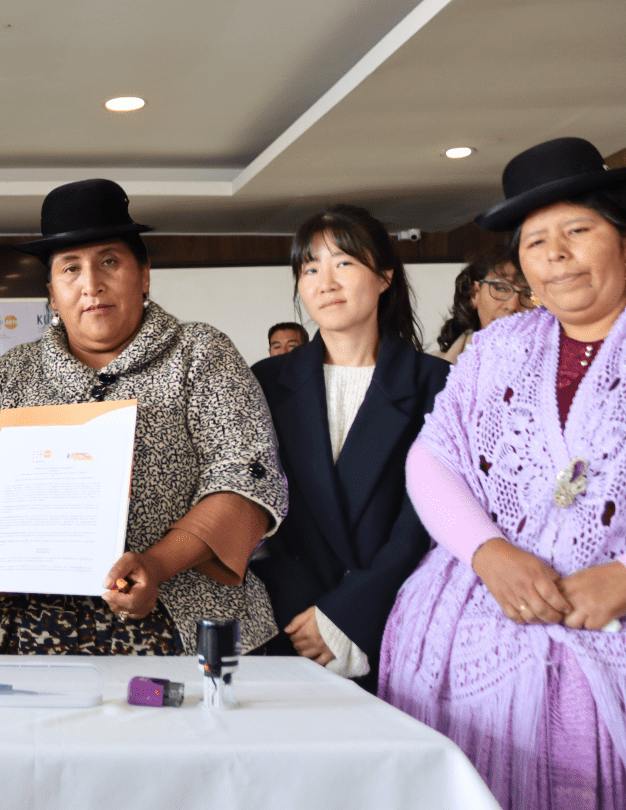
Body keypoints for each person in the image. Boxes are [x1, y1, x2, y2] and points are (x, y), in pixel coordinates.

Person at [0, 178, 287, 656]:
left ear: (144, 275)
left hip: (175, 616)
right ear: (52, 293)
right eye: (70, 269)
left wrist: (157, 565)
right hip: (15, 627)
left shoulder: (200, 353)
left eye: (109, 261)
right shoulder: (14, 372)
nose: (91, 284)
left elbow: (246, 476)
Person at [379, 137, 626, 809]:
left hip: (602, 644)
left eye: (579, 230)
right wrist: (488, 552)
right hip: (462, 642)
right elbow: (434, 457)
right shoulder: (498, 348)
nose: (557, 254)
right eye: (536, 241)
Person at [250, 205, 450, 693]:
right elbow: (255, 505)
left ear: (384, 276)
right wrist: (306, 611)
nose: (325, 281)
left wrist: (347, 613)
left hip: (389, 618)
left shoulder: (437, 382)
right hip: (291, 624)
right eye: (310, 267)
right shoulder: (267, 380)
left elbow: (425, 518)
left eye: (343, 263)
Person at [431, 244, 533, 363]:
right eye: (500, 288)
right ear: (475, 293)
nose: (512, 305)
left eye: (528, 295)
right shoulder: (433, 368)